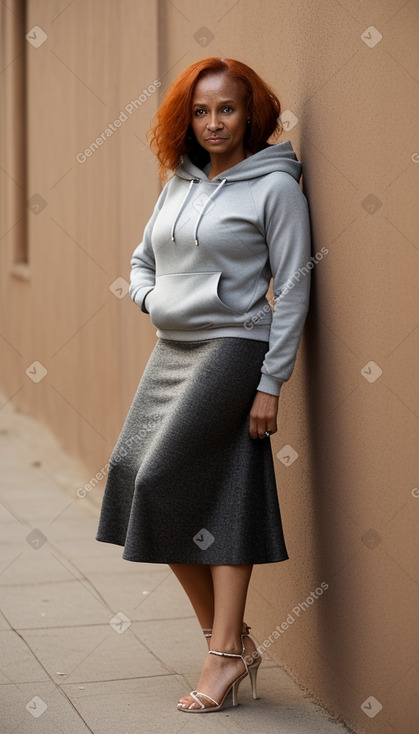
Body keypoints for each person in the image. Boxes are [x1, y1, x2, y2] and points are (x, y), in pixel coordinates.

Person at [96, 56, 311, 713]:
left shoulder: (274, 188)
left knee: (175, 479)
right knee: (134, 473)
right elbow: (140, 260)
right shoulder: (177, 184)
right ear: (184, 120)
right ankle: (232, 642)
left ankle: (222, 655)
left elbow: (295, 283)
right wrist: (151, 300)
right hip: (172, 348)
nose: (213, 122)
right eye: (200, 110)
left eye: (226, 108)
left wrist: (271, 382)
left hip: (235, 346)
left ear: (251, 114)